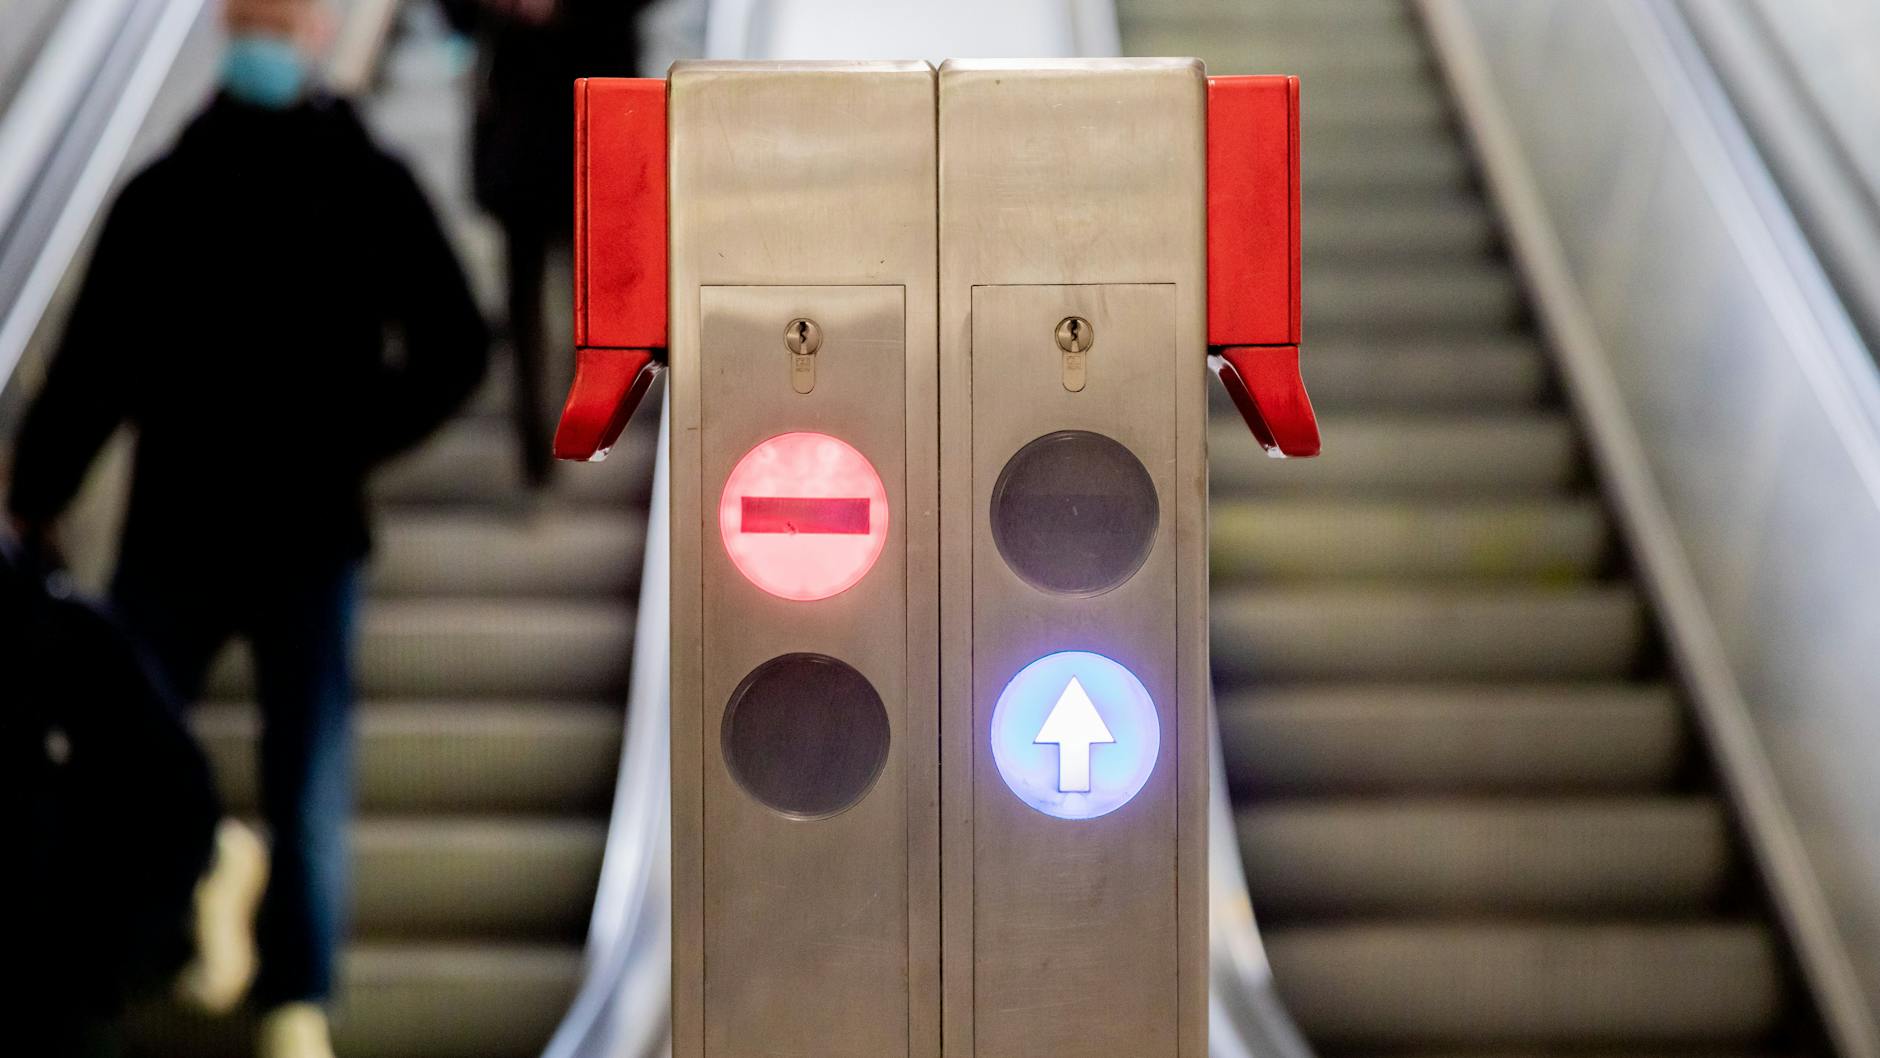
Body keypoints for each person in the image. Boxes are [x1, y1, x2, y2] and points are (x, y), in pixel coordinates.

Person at [5, 0, 490, 1052]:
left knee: (137, 756)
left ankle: (215, 965)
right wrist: (360, 433)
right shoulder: (355, 183)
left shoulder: (172, 190)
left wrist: (38, 497)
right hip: (290, 531)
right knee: (294, 770)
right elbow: (455, 345)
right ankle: (286, 998)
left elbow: (91, 372)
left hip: (196, 529)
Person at [440, 0, 653, 487]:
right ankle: (541, 446)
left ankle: (583, 424)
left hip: (596, 117)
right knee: (530, 305)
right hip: (521, 128)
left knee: (591, 301)